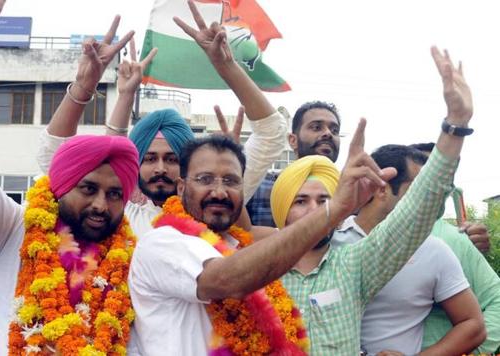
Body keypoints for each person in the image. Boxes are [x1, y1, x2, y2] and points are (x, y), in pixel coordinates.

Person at [128, 2, 397, 354]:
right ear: (182, 186)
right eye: (205, 179)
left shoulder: (243, 246)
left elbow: (270, 132)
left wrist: (227, 66)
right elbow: (227, 279)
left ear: (246, 186)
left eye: (231, 181)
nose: (219, 192)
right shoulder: (161, 242)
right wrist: (335, 210)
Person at [0, 1, 144, 355]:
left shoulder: (131, 257)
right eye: (88, 188)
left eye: (113, 195)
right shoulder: (8, 231)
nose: (100, 204)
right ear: (60, 186)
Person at [264, 45, 481, 354]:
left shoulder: (354, 263)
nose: (315, 210)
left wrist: (455, 125)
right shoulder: (259, 269)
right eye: (300, 201)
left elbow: (417, 209)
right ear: (280, 211)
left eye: (324, 200)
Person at [37, 12, 289, 239]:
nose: (160, 168)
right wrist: (87, 86)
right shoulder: (118, 212)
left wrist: (226, 67)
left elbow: (271, 133)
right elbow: (54, 157)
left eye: (171, 159)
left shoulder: (212, 202)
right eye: (149, 159)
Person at [332, 144, 484, 355]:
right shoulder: (330, 241)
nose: (426, 201)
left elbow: (473, 325)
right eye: (417, 190)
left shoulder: (433, 250)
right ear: (382, 188)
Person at [408, 143, 500, 354]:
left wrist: (473, 350)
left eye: (443, 175)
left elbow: (496, 299)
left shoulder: (451, 238)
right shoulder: (369, 236)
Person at [246, 100, 341, 226]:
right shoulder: (258, 188)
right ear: (293, 140)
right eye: (316, 127)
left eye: (334, 130)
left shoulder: (352, 194)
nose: (328, 133)